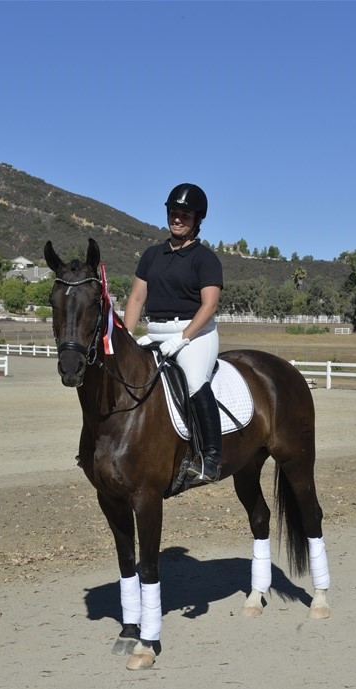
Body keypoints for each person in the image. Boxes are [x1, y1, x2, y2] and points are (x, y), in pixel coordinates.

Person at [124, 183, 224, 483]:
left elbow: (209, 305)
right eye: (173, 213)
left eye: (185, 215)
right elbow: (136, 299)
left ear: (197, 220)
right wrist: (127, 336)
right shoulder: (152, 255)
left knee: (194, 382)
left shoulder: (205, 258)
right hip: (155, 331)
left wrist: (182, 338)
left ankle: (211, 458)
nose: (177, 219)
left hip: (195, 334)